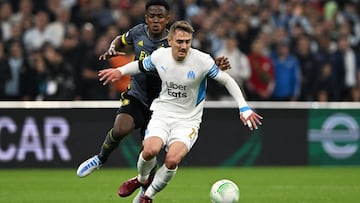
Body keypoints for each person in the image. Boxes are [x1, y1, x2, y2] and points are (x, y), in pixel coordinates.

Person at [76, 0, 230, 202]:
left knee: (148, 151)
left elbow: (198, 59)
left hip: (165, 103)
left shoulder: (175, 40)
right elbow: (119, 40)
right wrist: (113, 48)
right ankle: (100, 159)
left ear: (168, 19)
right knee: (121, 128)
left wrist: (215, 64)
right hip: (138, 94)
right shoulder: (138, 32)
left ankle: (143, 189)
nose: (156, 20)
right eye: (152, 16)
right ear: (146, 18)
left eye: (160, 16)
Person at [98, 20, 263, 203]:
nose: (184, 46)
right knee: (149, 151)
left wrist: (244, 107)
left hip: (188, 121)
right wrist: (119, 71)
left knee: (172, 160)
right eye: (180, 41)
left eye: (188, 42)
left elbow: (227, 80)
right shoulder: (160, 56)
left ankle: (148, 196)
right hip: (163, 112)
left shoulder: (202, 60)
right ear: (170, 41)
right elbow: (139, 65)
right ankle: (140, 179)